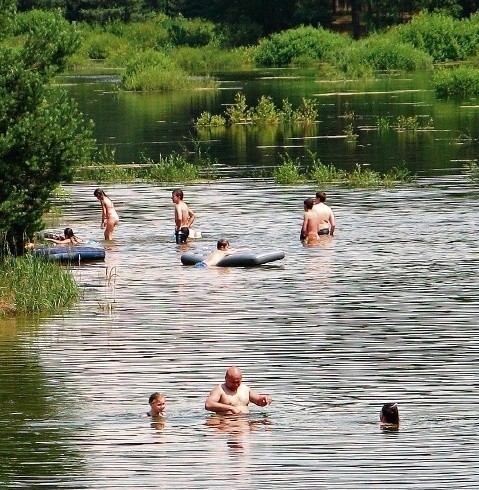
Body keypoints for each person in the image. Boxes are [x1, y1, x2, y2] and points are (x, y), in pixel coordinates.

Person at [205, 366, 272, 415]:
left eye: (238, 382)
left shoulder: (245, 388)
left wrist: (264, 399)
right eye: (233, 382)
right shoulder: (219, 390)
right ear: (226, 378)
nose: (236, 385)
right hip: (227, 422)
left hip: (245, 421)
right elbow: (208, 404)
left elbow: (258, 400)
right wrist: (230, 408)